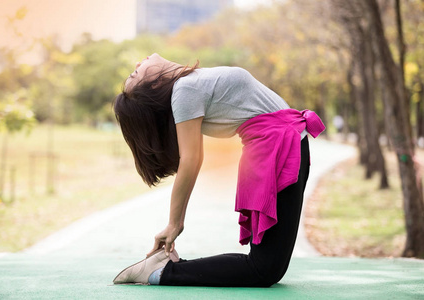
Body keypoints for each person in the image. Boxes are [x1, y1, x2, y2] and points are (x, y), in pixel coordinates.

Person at [112, 53, 325, 287]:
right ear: (154, 84)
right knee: (264, 269)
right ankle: (162, 272)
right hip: (276, 149)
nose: (138, 63)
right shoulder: (185, 90)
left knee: (265, 266)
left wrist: (176, 222)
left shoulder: (191, 82)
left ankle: (164, 270)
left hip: (283, 144)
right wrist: (175, 223)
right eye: (136, 73)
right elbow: (191, 159)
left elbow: (193, 157)